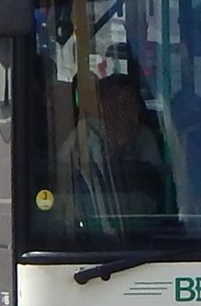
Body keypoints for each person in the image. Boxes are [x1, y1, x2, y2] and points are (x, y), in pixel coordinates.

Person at [60, 73, 169, 232]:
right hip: (90, 218)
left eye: (126, 104)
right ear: (101, 107)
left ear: (137, 107)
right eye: (112, 102)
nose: (119, 111)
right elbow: (62, 168)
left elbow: (155, 179)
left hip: (136, 218)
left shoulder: (143, 136)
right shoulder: (87, 131)